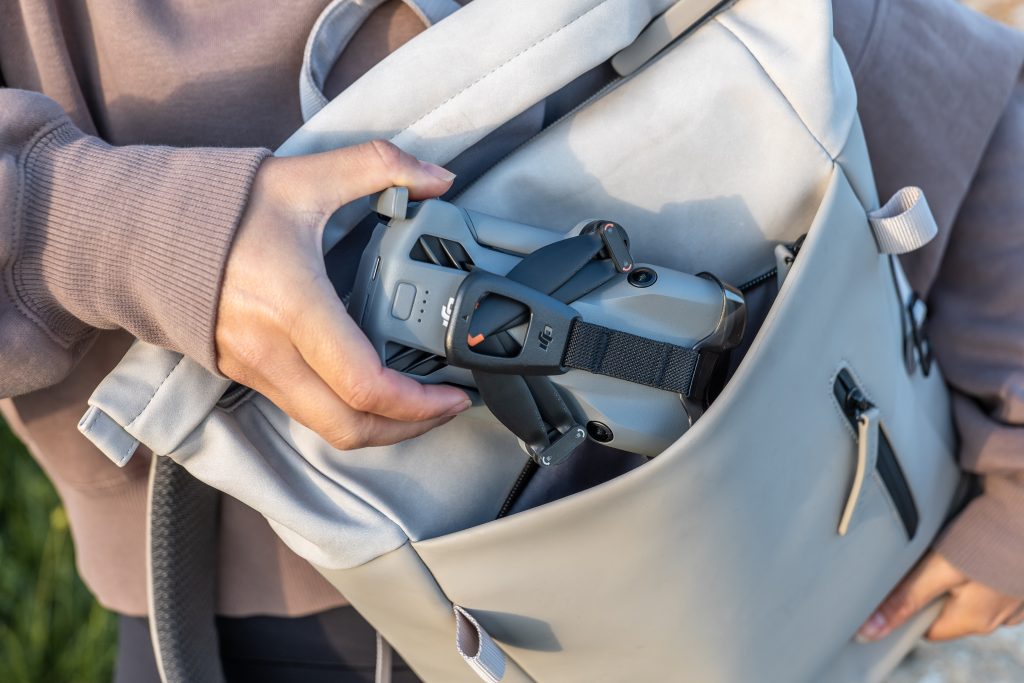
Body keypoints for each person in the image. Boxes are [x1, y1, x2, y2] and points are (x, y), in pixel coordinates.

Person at [0, 0, 1021, 679]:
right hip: (257, 585)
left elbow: (939, 69)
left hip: (807, 500)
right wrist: (140, 234)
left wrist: (1014, 492)